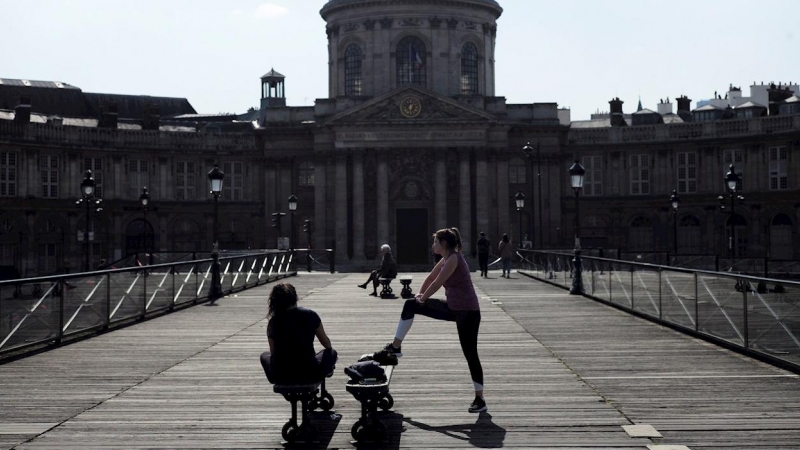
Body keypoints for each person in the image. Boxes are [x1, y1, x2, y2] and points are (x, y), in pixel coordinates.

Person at [376, 228, 486, 413]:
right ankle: (396, 347)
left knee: (471, 355)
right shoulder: (446, 258)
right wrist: (420, 294)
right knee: (411, 305)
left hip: (468, 312)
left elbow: (438, 283)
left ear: (443, 244)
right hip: (454, 308)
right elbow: (430, 277)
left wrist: (424, 298)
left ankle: (480, 399)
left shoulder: (454, 259)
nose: (432, 245)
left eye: (435, 242)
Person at [260, 283, 337, 384]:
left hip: (280, 375)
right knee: (331, 352)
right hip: (309, 372)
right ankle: (326, 371)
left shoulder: (273, 322)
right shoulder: (310, 315)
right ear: (295, 297)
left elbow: (274, 353)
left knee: (264, 355)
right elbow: (326, 344)